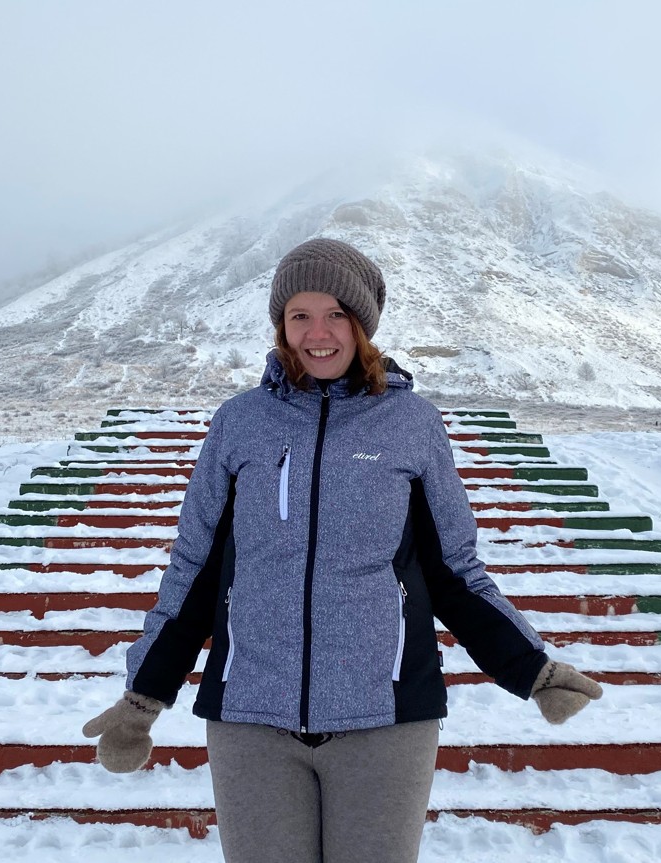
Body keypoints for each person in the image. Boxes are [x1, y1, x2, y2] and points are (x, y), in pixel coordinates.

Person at [83, 237, 603, 863]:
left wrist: (531, 668)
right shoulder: (240, 422)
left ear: (362, 325)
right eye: (299, 315)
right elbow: (195, 568)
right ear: (281, 325)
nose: (318, 332)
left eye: (336, 314)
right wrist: (144, 696)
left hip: (385, 718)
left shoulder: (411, 424)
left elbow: (454, 569)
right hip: (252, 717)